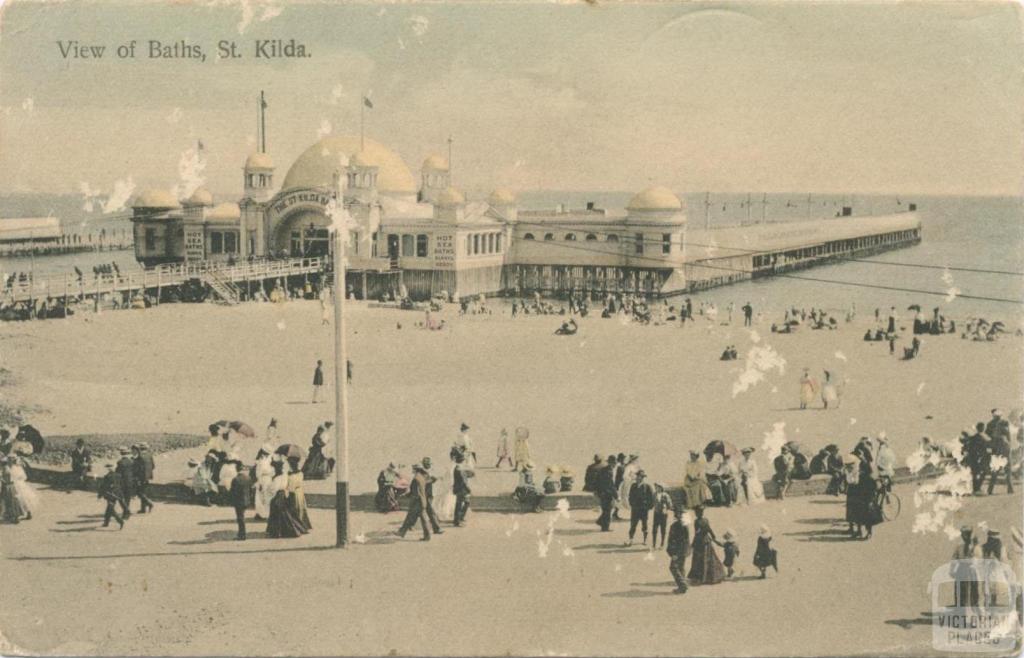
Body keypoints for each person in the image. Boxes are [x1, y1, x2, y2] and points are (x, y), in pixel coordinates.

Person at [266, 460, 307, 539]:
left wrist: (269, 489)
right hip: (283, 495)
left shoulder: (277, 478)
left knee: (276, 513)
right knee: (285, 514)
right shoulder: (285, 475)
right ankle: (284, 530)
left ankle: (276, 532)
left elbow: (272, 489)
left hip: (277, 495)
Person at [687, 506, 725, 585]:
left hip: (699, 542)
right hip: (707, 541)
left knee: (699, 560)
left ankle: (700, 578)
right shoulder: (706, 520)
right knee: (709, 558)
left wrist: (693, 543)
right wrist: (713, 537)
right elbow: (709, 529)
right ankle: (712, 577)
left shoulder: (697, 522)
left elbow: (697, 533)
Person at [397, 464, 431, 541]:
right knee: (422, 519)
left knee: (411, 518)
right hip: (422, 501)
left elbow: (415, 493)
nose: (412, 470)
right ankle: (427, 536)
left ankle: (401, 532)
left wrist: (407, 496)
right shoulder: (422, 477)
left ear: (415, 470)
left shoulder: (416, 479)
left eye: (413, 469)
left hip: (417, 503)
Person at [951, 525, 980, 608]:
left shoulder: (975, 547)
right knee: (960, 590)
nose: (964, 536)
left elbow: (977, 559)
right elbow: (954, 558)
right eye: (963, 534)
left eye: (967, 534)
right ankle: (960, 609)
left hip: (971, 570)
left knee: (972, 590)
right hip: (961, 570)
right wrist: (952, 570)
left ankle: (973, 609)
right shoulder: (959, 546)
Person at [626, 470, 655, 546]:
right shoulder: (633, 486)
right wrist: (632, 504)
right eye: (638, 476)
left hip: (643, 510)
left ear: (643, 478)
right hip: (635, 509)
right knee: (633, 525)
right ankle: (630, 540)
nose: (638, 478)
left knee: (644, 525)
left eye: (641, 477)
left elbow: (651, 498)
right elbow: (630, 496)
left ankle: (645, 540)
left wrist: (648, 507)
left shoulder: (647, 487)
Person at [666, 509, 690, 594]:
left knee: (673, 567)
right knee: (681, 567)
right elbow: (686, 540)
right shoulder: (685, 525)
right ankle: (683, 586)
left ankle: (682, 585)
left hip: (677, 551)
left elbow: (672, 540)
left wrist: (673, 553)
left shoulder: (675, 526)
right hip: (684, 550)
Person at [96, 463, 125, 529]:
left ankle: (120, 521)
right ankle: (106, 522)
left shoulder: (107, 476)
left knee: (111, 510)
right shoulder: (119, 475)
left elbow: (103, 487)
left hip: (110, 495)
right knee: (108, 509)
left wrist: (99, 496)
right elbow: (121, 485)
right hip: (117, 494)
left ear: (108, 469)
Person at [420, 457, 444, 534]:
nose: (428, 465)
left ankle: (405, 528)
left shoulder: (432, 471)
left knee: (426, 511)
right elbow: (423, 482)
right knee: (430, 511)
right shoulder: (422, 472)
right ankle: (437, 528)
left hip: (430, 494)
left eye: (429, 464)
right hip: (426, 494)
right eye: (427, 464)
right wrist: (431, 480)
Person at [287, 457, 312, 532]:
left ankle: (297, 526)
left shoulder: (290, 475)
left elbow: (291, 486)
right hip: (300, 491)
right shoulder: (300, 473)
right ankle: (303, 524)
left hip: (294, 492)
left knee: (295, 508)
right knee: (301, 507)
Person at [966, 423, 992, 494]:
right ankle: (977, 489)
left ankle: (976, 488)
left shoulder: (974, 437)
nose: (982, 428)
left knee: (977, 473)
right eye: (981, 427)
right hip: (980, 458)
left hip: (977, 458)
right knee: (980, 473)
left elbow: (969, 448)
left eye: (982, 427)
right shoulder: (983, 437)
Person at [230, 462, 252, 540]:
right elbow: (250, 490)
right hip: (246, 500)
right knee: (241, 517)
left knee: (240, 518)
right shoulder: (248, 478)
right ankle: (241, 534)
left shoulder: (235, 479)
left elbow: (232, 492)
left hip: (239, 501)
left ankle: (242, 535)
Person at [595, 455, 618, 531]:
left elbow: (597, 481)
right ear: (611, 463)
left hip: (602, 493)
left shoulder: (604, 469)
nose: (615, 465)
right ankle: (605, 527)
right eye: (614, 463)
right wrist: (616, 496)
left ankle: (600, 521)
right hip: (606, 493)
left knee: (606, 509)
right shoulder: (609, 471)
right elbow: (611, 485)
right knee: (607, 510)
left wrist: (598, 492)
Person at [253, 445, 274, 520]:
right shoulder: (261, 461)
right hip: (264, 479)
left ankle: (266, 513)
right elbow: (258, 472)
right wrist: (259, 482)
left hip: (267, 479)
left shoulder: (268, 460)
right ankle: (261, 513)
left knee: (266, 496)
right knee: (261, 496)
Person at [132, 444, 155, 514]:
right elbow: (153, 466)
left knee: (139, 493)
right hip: (147, 477)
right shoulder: (149, 455)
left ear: (140, 449)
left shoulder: (140, 457)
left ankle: (149, 503)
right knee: (143, 492)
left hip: (140, 478)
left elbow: (136, 469)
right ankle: (143, 509)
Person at [452, 451, 473, 527]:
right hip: (462, 489)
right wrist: (468, 489)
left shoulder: (458, 468)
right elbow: (463, 481)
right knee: (462, 504)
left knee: (461, 503)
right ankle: (458, 520)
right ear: (462, 460)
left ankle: (459, 518)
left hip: (459, 488)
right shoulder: (459, 469)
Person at [115, 446, 135, 519]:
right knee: (127, 498)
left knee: (121, 498)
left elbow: (117, 473)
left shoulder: (120, 462)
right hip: (130, 482)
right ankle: (126, 513)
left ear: (121, 453)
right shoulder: (131, 461)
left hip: (122, 482)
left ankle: (126, 511)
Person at [651, 483, 672, 548]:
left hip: (663, 514)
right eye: (655, 487)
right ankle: (654, 544)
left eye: (657, 487)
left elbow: (670, 505)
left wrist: (665, 508)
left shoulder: (665, 495)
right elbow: (652, 502)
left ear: (661, 487)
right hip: (656, 513)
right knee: (654, 529)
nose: (656, 488)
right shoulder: (654, 494)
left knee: (663, 529)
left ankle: (662, 544)